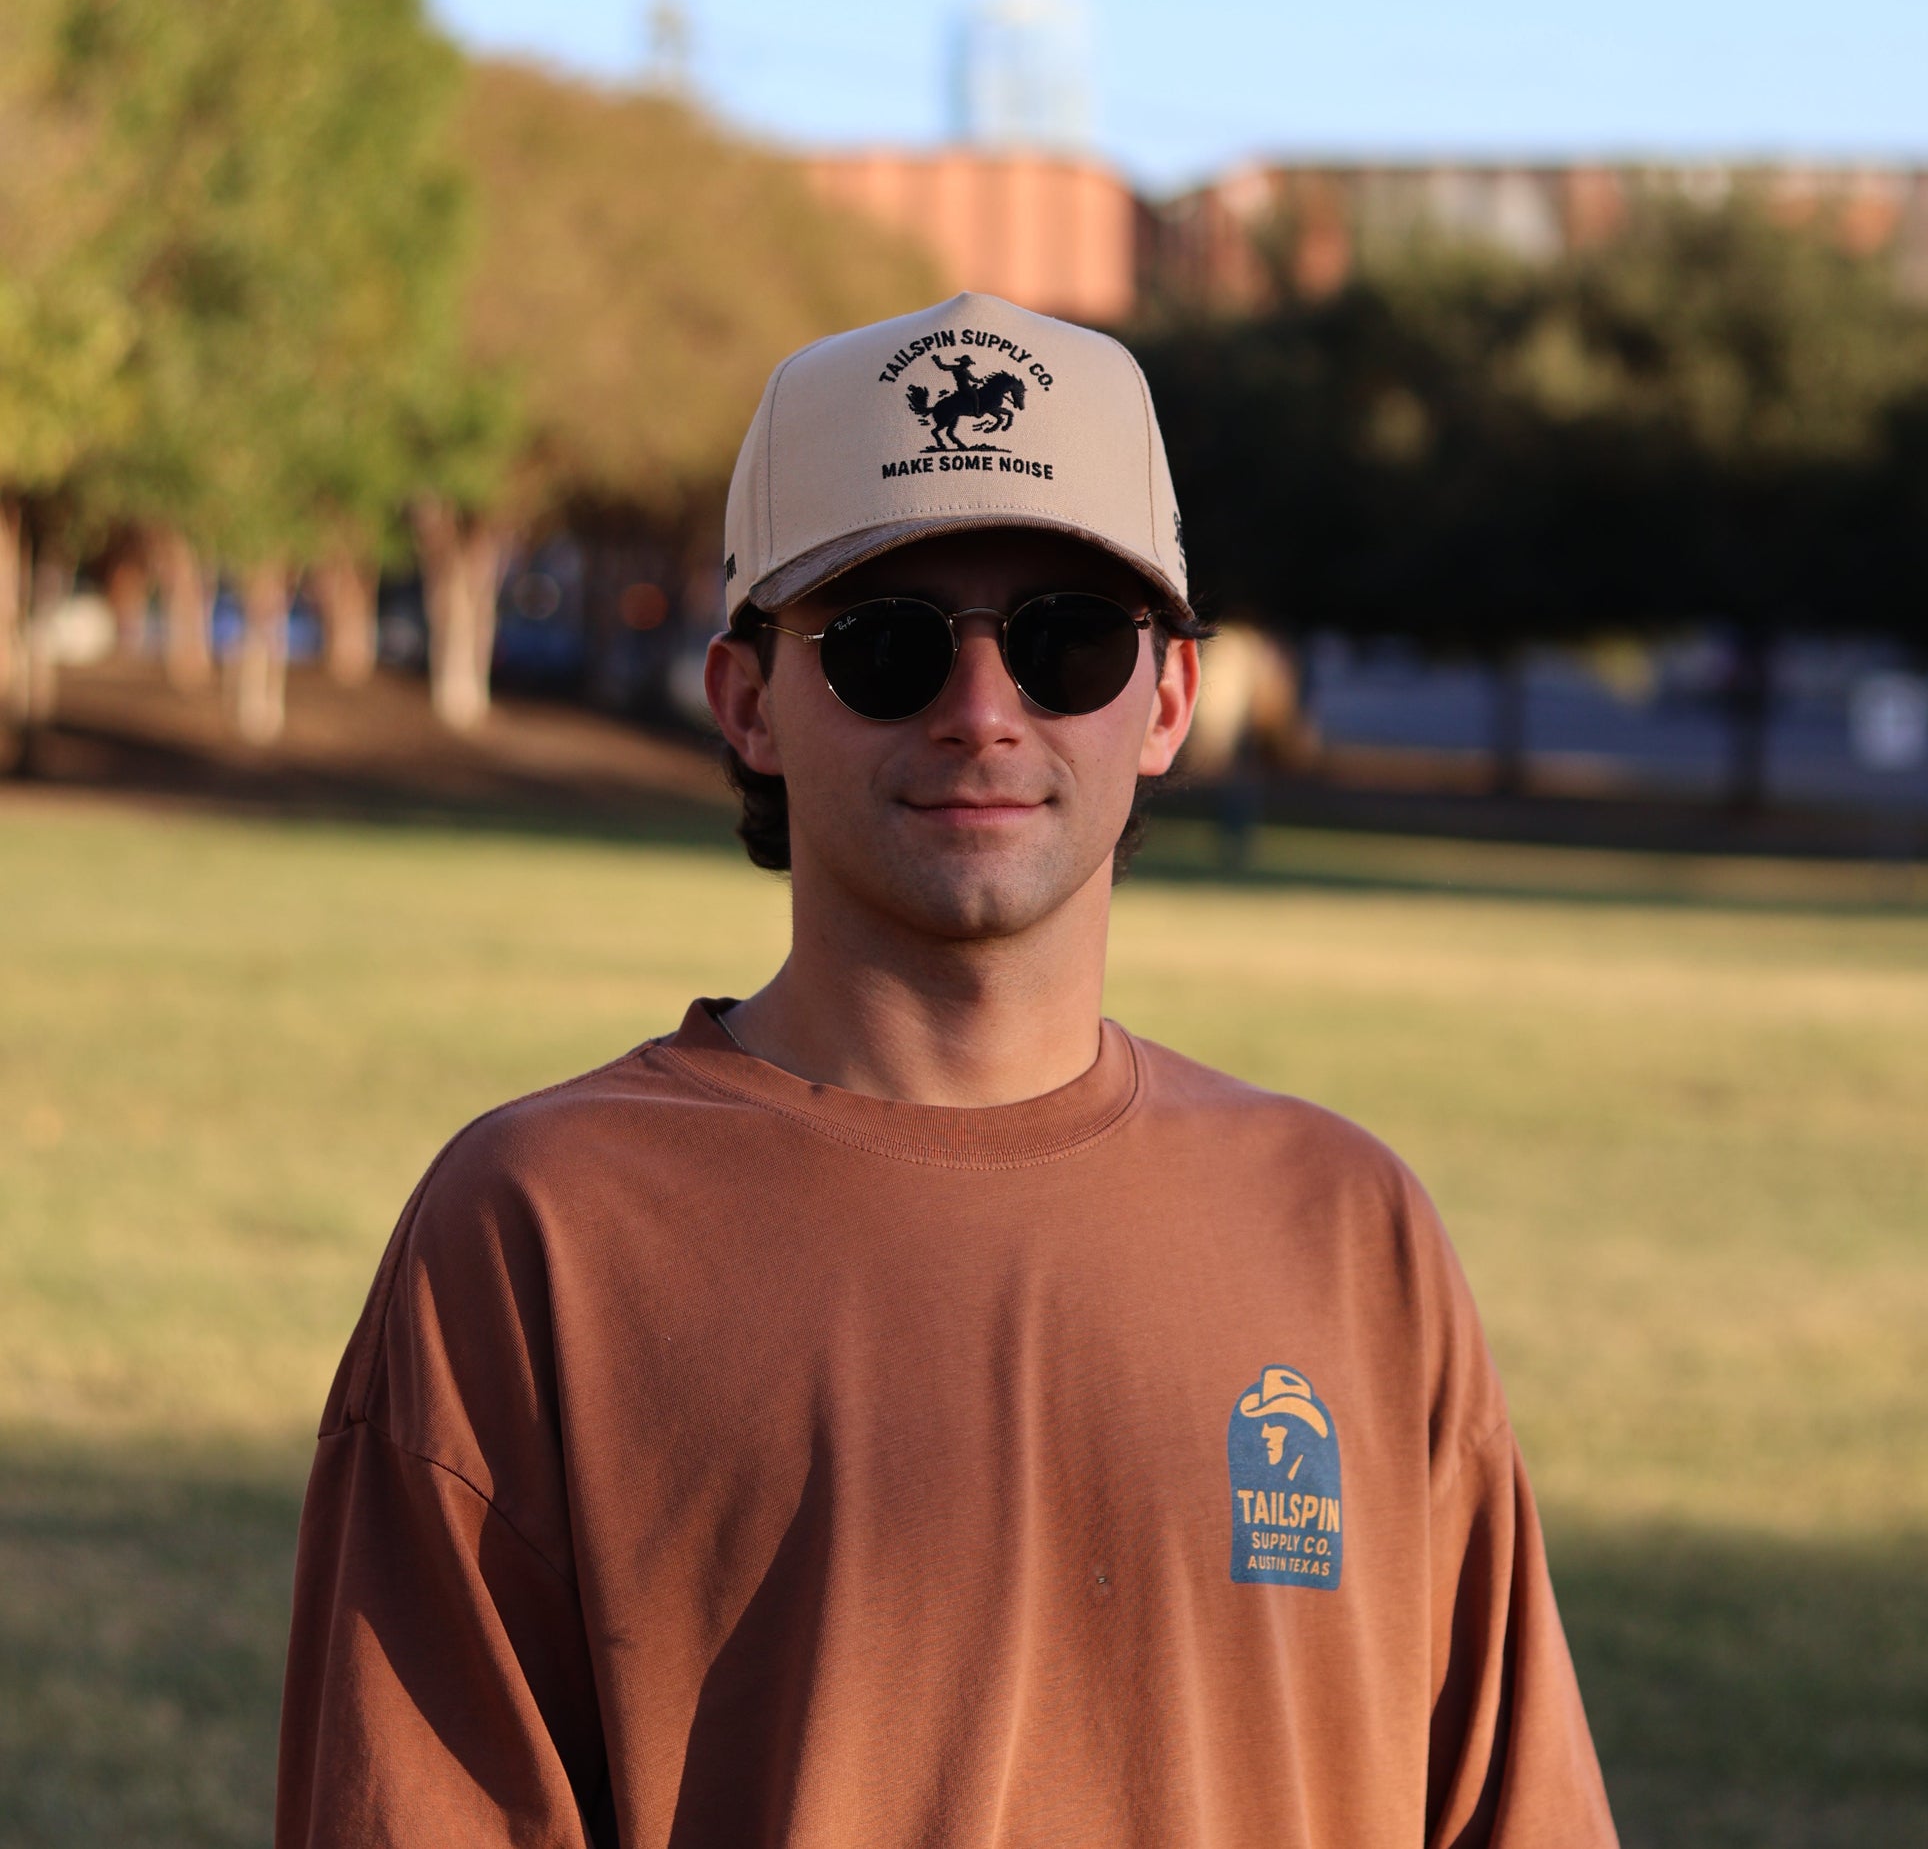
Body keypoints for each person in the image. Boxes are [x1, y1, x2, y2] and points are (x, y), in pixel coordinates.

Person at [277, 293, 1618, 1848]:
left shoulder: (1348, 1229)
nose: (981, 715)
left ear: (1167, 698)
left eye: (1065, 641)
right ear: (747, 701)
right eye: (884, 646)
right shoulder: (539, 1234)